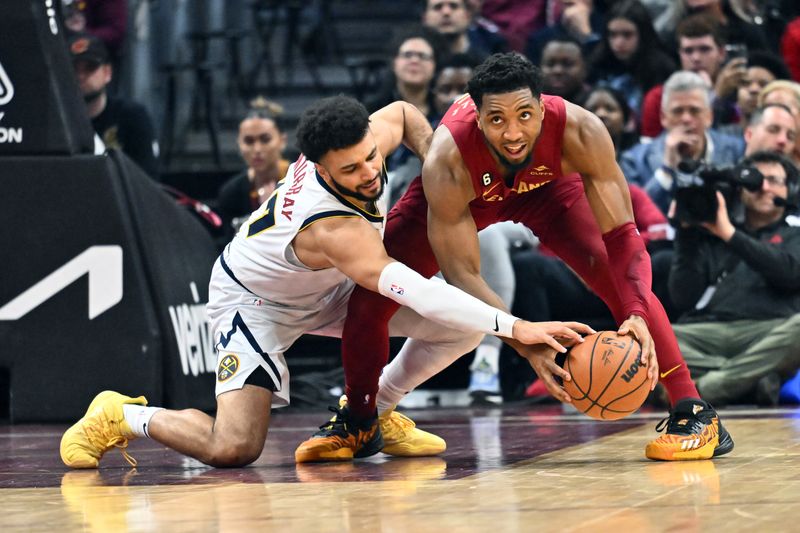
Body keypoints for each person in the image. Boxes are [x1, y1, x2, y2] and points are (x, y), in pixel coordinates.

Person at [60, 95, 592, 468]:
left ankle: (374, 415)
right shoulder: (333, 228)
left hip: (322, 287)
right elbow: (424, 290)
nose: (369, 174)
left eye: (370, 157)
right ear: (318, 168)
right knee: (233, 449)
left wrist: (442, 173)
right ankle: (123, 415)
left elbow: (405, 114)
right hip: (255, 304)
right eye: (352, 171)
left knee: (458, 332)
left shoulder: (365, 143)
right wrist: (516, 328)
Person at [325, 53, 734, 462]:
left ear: (542, 107)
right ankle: (361, 420)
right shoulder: (448, 160)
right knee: (371, 296)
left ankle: (694, 411)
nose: (513, 132)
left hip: (549, 191)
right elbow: (462, 273)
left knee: (616, 279)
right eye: (497, 120)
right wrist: (523, 342)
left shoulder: (582, 130)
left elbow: (624, 237)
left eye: (524, 115)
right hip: (470, 197)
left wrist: (637, 313)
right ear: (479, 118)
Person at [669, 151, 800, 406]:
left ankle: (708, 387)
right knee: (646, 337)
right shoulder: (711, 229)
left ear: (789, 190)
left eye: (774, 180)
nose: (764, 187)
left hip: (769, 332)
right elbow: (683, 298)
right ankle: (749, 381)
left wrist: (729, 234)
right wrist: (685, 233)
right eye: (756, 181)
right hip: (708, 332)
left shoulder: (795, 232)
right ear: (740, 189)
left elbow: (790, 273)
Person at [620, 71, 744, 214]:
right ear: (663, 118)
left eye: (694, 110)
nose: (686, 119)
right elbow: (633, 218)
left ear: (709, 116)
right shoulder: (634, 160)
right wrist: (666, 171)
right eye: (678, 111)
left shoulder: (737, 150)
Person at [68, 32, 160, 179]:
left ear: (107, 72)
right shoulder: (60, 122)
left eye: (90, 68)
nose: (81, 76)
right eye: (74, 69)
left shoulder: (132, 116)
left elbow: (148, 179)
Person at [587, 0, 676, 119]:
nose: (619, 43)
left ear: (642, 34)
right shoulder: (597, 62)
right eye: (613, 35)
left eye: (627, 35)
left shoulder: (661, 67)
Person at [215, 97, 289, 240]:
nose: (257, 149)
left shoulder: (303, 181)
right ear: (239, 144)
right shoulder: (231, 194)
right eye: (249, 141)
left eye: (265, 139)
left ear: (282, 141)